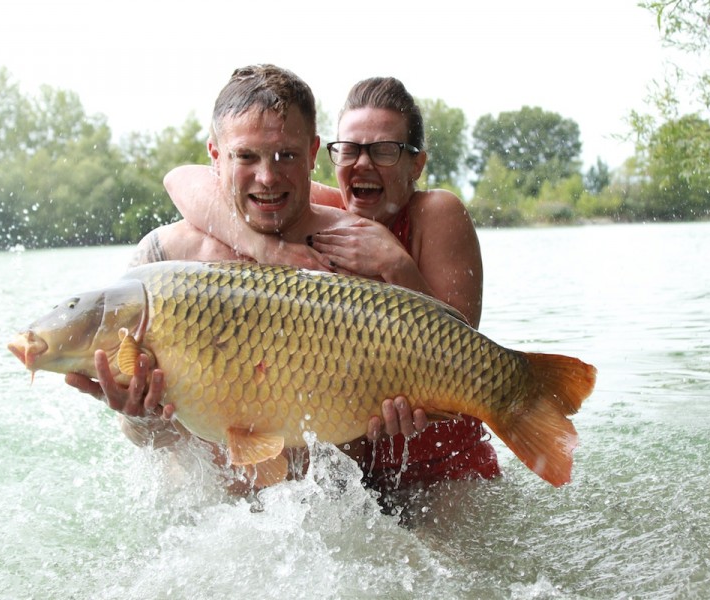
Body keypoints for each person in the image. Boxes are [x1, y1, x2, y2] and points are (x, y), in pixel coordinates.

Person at [65, 65, 425, 491]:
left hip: (331, 519)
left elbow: (371, 436)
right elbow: (148, 441)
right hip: (210, 521)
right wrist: (135, 412)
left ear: (312, 153)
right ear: (216, 156)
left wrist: (400, 416)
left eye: (286, 155)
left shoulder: (357, 249)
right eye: (246, 156)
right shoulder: (162, 261)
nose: (268, 177)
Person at [165, 76, 500, 502]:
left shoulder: (436, 213)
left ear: (416, 165)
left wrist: (395, 263)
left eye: (383, 151)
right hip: (362, 477)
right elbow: (183, 179)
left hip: (445, 466)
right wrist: (264, 248)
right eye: (350, 150)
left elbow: (459, 349)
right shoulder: (330, 211)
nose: (363, 165)